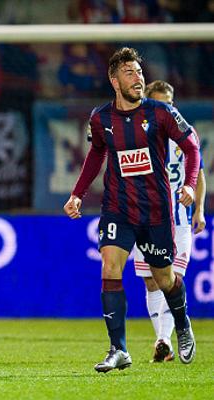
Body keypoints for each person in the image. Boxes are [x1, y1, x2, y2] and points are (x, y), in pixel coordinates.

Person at [64, 47, 199, 373]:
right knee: (110, 268)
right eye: (130, 73)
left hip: (155, 211)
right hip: (117, 208)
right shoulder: (101, 118)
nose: (138, 78)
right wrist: (78, 194)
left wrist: (191, 185)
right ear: (114, 80)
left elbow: (192, 145)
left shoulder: (160, 113)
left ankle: (181, 325)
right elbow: (96, 154)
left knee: (164, 278)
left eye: (140, 72)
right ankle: (118, 349)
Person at [132, 80, 206, 362]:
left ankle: (166, 338)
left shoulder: (184, 134)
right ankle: (163, 341)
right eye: (160, 103)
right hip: (147, 217)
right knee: (151, 283)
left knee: (171, 280)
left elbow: (198, 174)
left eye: (169, 103)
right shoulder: (140, 135)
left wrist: (198, 210)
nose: (165, 108)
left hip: (179, 219)